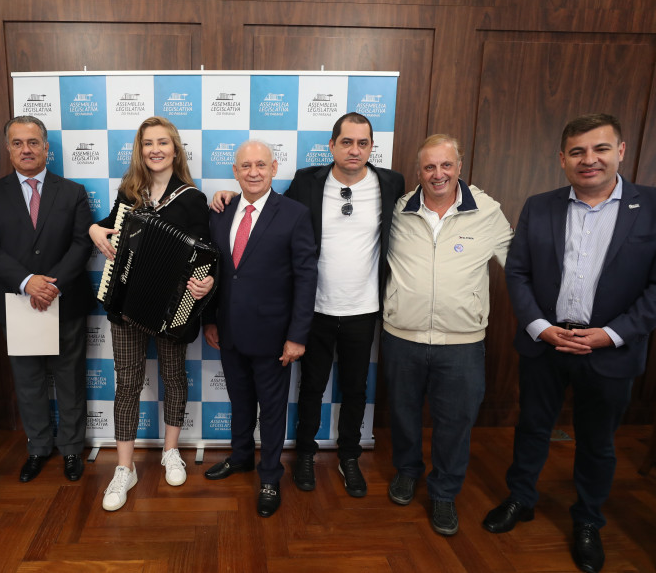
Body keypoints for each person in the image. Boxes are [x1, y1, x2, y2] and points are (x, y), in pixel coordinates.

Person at [482, 114, 656, 573]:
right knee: (532, 428)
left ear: (620, 151)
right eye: (577, 152)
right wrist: (538, 325)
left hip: (611, 349)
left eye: (600, 149)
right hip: (547, 342)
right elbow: (517, 272)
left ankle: (588, 521)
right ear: (562, 160)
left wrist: (612, 333)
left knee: (597, 442)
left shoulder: (652, 207)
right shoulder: (540, 206)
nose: (589, 160)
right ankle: (521, 498)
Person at [212, 112, 404, 496]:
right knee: (310, 387)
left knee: (354, 388)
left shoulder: (391, 183)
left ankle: (348, 456)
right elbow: (261, 214)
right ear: (331, 146)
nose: (354, 149)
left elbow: (289, 239)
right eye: (346, 142)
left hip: (362, 308)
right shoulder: (306, 182)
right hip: (314, 309)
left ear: (371, 148)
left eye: (362, 143)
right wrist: (231, 196)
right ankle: (301, 455)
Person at [382, 134, 512, 535]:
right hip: (401, 334)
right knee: (403, 414)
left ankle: (443, 493)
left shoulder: (489, 212)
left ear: (459, 166)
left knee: (455, 421)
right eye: (429, 167)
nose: (438, 174)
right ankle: (407, 470)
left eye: (446, 165)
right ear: (419, 171)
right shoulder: (398, 210)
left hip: (462, 342)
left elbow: (520, 268)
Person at [89, 116, 214, 511]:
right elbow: (107, 229)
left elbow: (205, 255)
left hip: (171, 309)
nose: (155, 149)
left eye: (163, 142)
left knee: (174, 376)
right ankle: (124, 469)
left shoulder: (192, 198)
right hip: (126, 306)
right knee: (127, 383)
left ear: (175, 150)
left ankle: (171, 451)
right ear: (140, 150)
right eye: (148, 143)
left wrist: (205, 282)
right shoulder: (130, 192)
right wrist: (95, 230)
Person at [0, 116, 94, 484]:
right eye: (17, 143)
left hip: (64, 300)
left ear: (46, 148)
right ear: (8, 149)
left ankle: (72, 449)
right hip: (17, 302)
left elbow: (82, 242)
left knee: (70, 379)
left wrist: (50, 284)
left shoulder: (72, 191)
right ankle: (39, 448)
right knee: (28, 382)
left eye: (33, 142)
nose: (26, 149)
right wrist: (27, 282)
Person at [202, 140, 317, 518]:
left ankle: (269, 476)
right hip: (230, 330)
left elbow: (306, 277)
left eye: (261, 165)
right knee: (239, 402)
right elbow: (213, 271)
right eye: (245, 166)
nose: (253, 172)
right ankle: (240, 458)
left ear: (274, 168)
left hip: (274, 336)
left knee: (271, 409)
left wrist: (298, 335)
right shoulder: (221, 210)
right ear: (235, 172)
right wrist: (211, 319)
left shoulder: (295, 214)